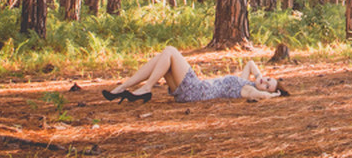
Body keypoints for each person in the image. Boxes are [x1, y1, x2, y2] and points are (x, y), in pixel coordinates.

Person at [102, 48, 288, 103]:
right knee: (162, 59)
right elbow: (250, 64)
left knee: (170, 51)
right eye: (268, 79)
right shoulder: (245, 80)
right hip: (188, 92)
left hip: (195, 89)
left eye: (266, 84)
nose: (264, 81)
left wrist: (271, 94)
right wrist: (259, 76)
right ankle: (122, 88)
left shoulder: (248, 90)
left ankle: (146, 88)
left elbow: (260, 94)